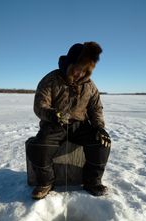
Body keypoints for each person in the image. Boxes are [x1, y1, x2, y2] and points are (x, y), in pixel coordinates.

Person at [27, 42, 111, 200]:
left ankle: (92, 182)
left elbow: (96, 109)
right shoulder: (51, 79)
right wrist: (53, 115)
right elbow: (40, 105)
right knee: (40, 147)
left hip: (80, 126)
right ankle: (45, 182)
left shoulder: (90, 86)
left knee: (101, 143)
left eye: (85, 70)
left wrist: (99, 127)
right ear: (70, 64)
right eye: (78, 69)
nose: (80, 73)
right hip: (54, 125)